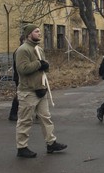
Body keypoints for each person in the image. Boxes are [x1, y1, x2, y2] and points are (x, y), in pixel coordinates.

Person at [14, 24, 67, 158]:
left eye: (39, 31)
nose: (39, 33)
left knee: (46, 118)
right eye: (36, 31)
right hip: (28, 91)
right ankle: (22, 147)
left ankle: (51, 143)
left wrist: (45, 66)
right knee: (25, 120)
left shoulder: (39, 49)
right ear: (28, 34)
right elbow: (22, 69)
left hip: (40, 89)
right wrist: (39, 64)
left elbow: (43, 68)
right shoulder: (23, 50)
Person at [8, 35, 25, 121]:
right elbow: (20, 66)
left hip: (26, 77)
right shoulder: (19, 51)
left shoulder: (27, 50)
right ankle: (13, 113)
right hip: (19, 77)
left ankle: (38, 113)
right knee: (19, 95)